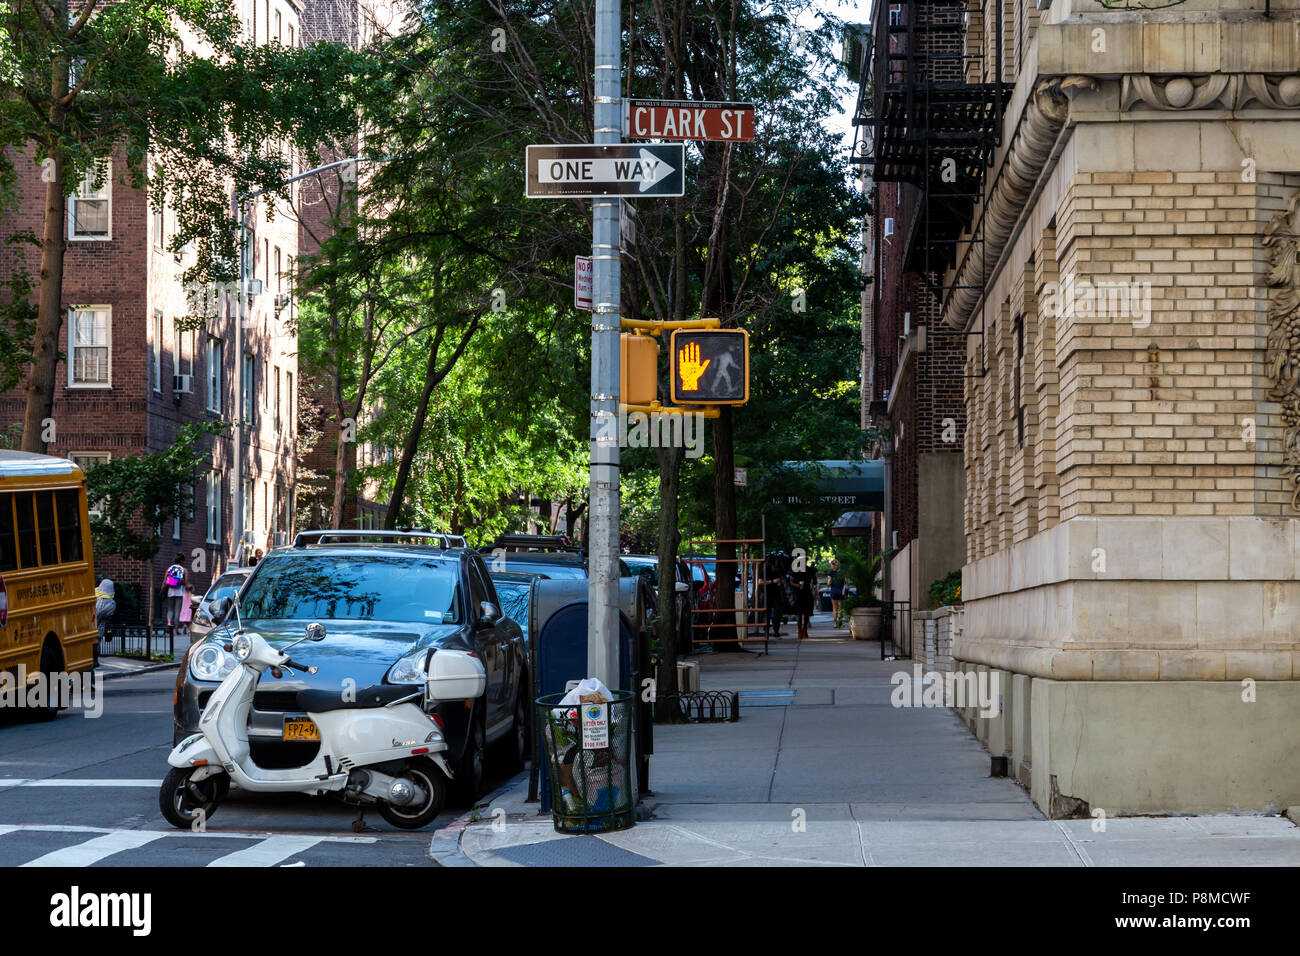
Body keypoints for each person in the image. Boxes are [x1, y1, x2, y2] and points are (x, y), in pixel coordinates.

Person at [163, 553, 187, 638]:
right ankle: (176, 630)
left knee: (170, 609)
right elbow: (185, 583)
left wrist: (163, 589)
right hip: (179, 592)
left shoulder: (169, 569)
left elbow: (165, 581)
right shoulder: (183, 570)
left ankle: (169, 624)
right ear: (182, 561)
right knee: (177, 611)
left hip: (170, 592)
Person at [791, 563, 818, 640]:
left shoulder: (809, 569)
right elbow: (791, 581)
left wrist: (815, 592)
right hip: (798, 593)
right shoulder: (795, 570)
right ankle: (799, 631)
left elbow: (814, 580)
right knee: (799, 613)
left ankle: (805, 629)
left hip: (807, 593)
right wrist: (796, 585)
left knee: (806, 613)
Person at [94, 578, 116, 665]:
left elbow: (97, 614)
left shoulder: (99, 599)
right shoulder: (111, 603)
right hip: (100, 627)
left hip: (96, 626)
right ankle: (95, 661)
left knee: (95, 645)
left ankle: (95, 661)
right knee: (96, 644)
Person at [828, 558, 847, 628]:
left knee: (834, 608)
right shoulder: (842, 572)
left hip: (833, 591)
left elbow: (828, 583)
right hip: (841, 591)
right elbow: (846, 582)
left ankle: (835, 624)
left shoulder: (831, 573)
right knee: (840, 608)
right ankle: (840, 622)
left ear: (833, 566)